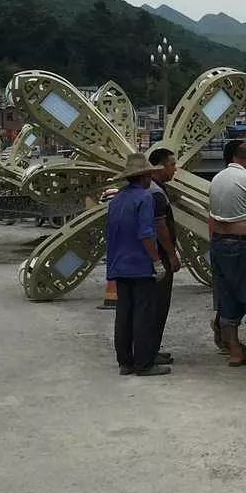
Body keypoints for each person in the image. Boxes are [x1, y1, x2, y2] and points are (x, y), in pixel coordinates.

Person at [106, 152, 169, 376]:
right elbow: (146, 234)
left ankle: (125, 362)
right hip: (140, 265)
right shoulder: (145, 198)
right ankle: (144, 362)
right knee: (143, 314)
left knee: (124, 314)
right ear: (143, 177)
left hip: (119, 265)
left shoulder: (117, 200)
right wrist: (156, 261)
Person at [208, 141, 246, 366]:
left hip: (218, 244)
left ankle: (235, 352)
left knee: (227, 297)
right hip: (242, 245)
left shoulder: (217, 179)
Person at [148, 145, 180, 364]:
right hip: (160, 255)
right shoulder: (156, 192)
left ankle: (151, 349)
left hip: (153, 256)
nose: (175, 169)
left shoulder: (153, 189)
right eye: (172, 164)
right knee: (158, 304)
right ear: (160, 167)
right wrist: (171, 254)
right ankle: (150, 351)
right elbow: (160, 227)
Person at [209, 138, 242, 348]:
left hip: (217, 242)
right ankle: (228, 340)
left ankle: (225, 339)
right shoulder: (239, 182)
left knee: (223, 295)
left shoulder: (217, 181)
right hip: (235, 243)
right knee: (235, 295)